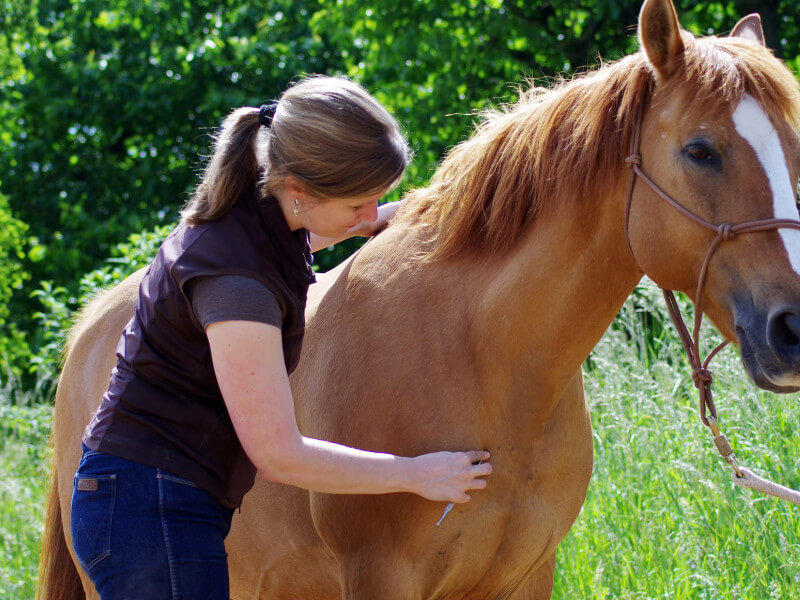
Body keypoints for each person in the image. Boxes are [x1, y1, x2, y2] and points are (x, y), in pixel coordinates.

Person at [70, 75, 492, 599]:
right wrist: (417, 474)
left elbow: (314, 231)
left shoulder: (259, 214)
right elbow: (279, 455)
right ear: (299, 191)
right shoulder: (236, 284)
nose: (368, 215)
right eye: (358, 203)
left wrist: (387, 218)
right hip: (146, 510)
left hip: (153, 498)